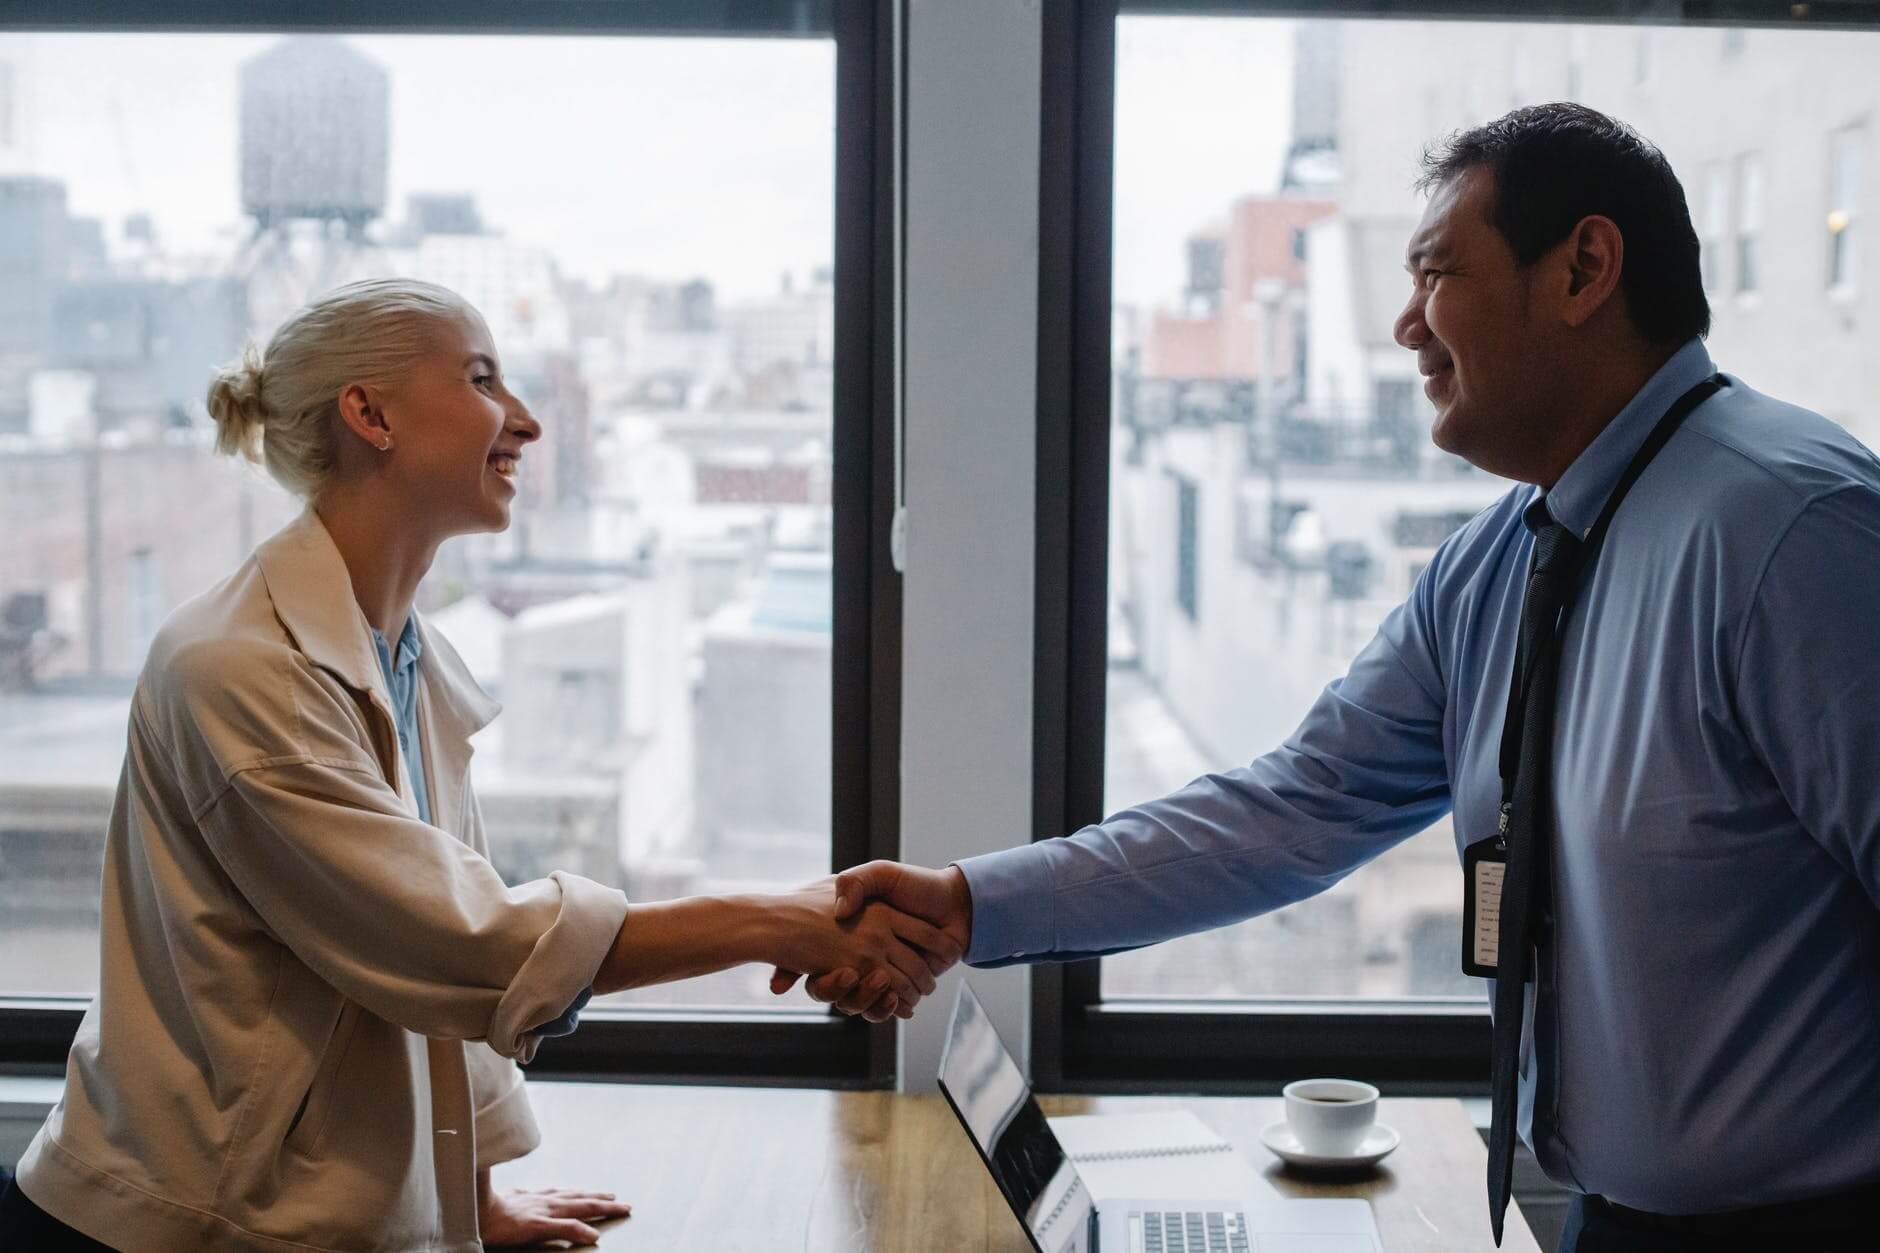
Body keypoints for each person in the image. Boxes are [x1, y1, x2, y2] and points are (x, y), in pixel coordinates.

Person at [779, 104, 1880, 1251]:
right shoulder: (1500, 559)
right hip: (1604, 1220)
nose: (1403, 326)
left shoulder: (1794, 532)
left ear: (1583, 268)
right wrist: (966, 904)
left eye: (1434, 274)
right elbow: (1287, 811)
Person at [0, 278, 960, 1253]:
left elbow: (423, 969)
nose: (526, 421)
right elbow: (458, 941)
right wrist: (774, 922)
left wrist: (469, 1195)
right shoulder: (243, 668)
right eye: (483, 378)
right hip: (180, 1228)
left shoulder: (401, 651)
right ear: (368, 414)